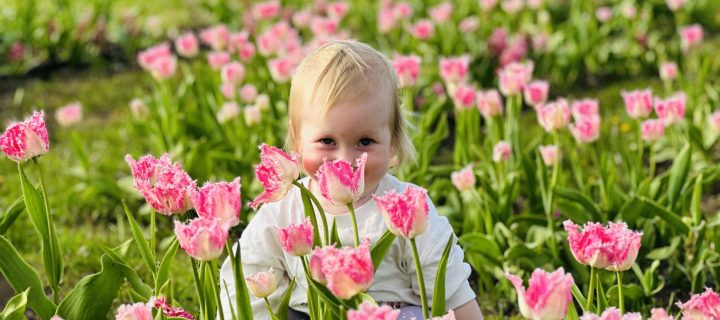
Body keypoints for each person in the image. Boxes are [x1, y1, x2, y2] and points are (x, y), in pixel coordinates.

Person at [219, 40, 483, 320]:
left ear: (392, 142)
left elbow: (452, 291)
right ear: (298, 140)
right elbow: (243, 288)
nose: (344, 160)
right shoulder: (283, 215)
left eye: (365, 141)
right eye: (327, 141)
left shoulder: (406, 208)